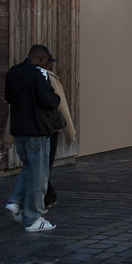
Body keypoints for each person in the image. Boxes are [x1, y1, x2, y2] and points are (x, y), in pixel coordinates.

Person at [4, 44, 61, 232]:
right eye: (48, 62)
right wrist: (56, 99)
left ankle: (14, 203)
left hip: (19, 129)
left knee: (28, 167)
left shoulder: (13, 72)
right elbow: (48, 99)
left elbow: (9, 98)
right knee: (39, 174)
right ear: (42, 60)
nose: (48, 66)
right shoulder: (39, 73)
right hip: (37, 129)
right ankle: (33, 218)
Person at [42, 58, 77, 209]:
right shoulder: (49, 78)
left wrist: (9, 138)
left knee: (35, 168)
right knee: (43, 167)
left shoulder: (21, 76)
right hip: (47, 129)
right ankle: (40, 200)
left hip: (26, 129)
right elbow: (62, 106)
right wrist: (70, 133)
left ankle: (47, 197)